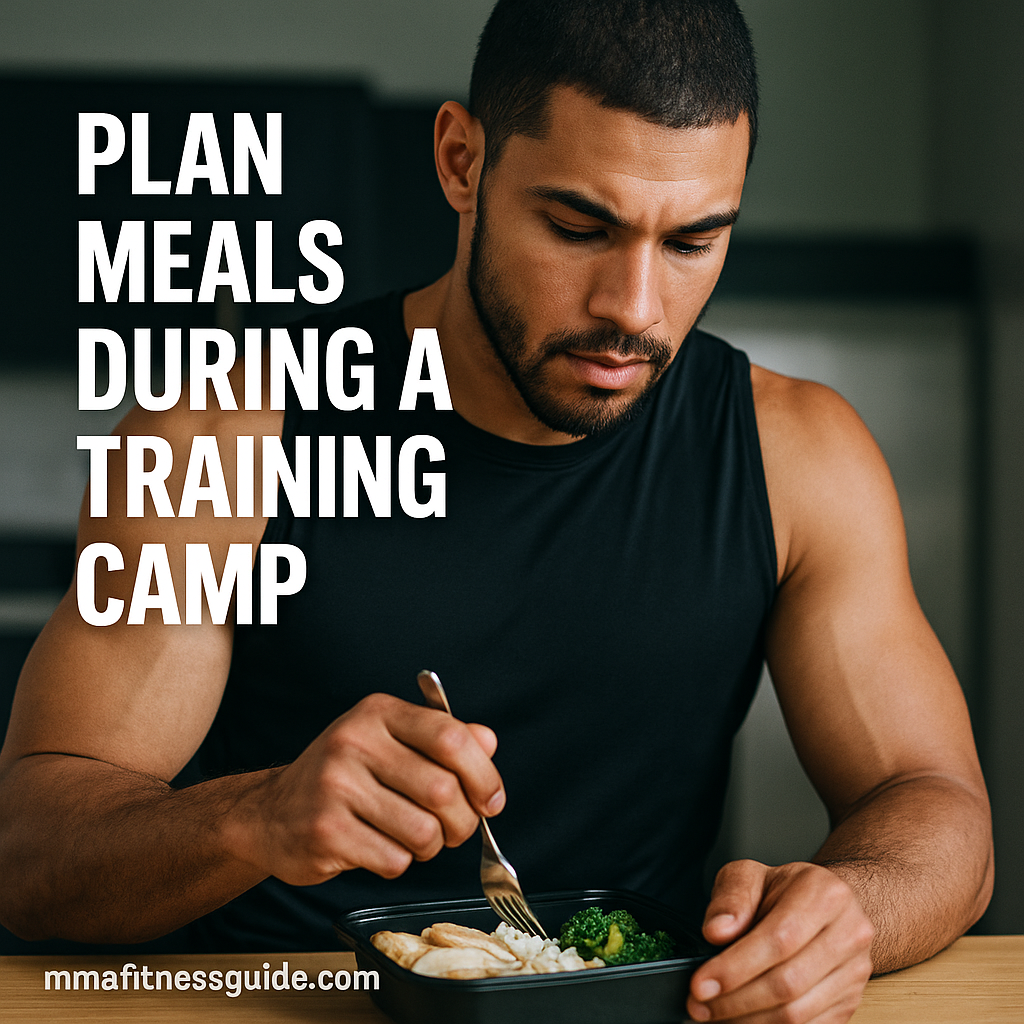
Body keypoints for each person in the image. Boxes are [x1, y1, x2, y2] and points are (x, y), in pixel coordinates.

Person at [0, 1, 992, 1021]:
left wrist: (851, 910)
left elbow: (935, 806)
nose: (634, 307)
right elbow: (31, 852)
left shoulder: (798, 457)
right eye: (578, 226)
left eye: (693, 240)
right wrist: (257, 815)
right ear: (462, 162)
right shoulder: (223, 434)